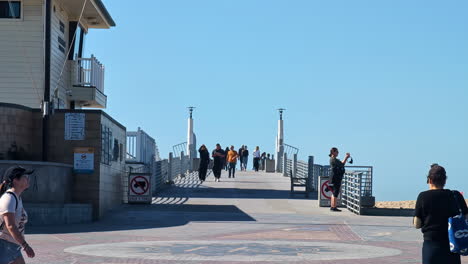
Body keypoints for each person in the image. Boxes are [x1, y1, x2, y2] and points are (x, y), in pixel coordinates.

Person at [414, 165, 468, 264]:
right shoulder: (455, 195)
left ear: (429, 180)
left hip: (431, 245)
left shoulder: (423, 196)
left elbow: (417, 224)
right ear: (445, 180)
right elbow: (466, 217)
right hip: (452, 244)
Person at [0, 166, 35, 264]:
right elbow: (10, 226)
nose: (28, 179)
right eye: (25, 176)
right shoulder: (9, 199)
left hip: (13, 246)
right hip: (4, 246)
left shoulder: (17, 197)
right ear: (16, 180)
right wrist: (26, 246)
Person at [328, 147, 351, 212]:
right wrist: (346, 157)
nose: (338, 153)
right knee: (336, 192)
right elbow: (342, 164)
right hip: (336, 178)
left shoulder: (332, 159)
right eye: (337, 152)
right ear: (333, 152)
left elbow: (340, 164)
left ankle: (333, 206)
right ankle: (334, 207)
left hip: (334, 177)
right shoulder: (333, 159)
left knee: (334, 192)